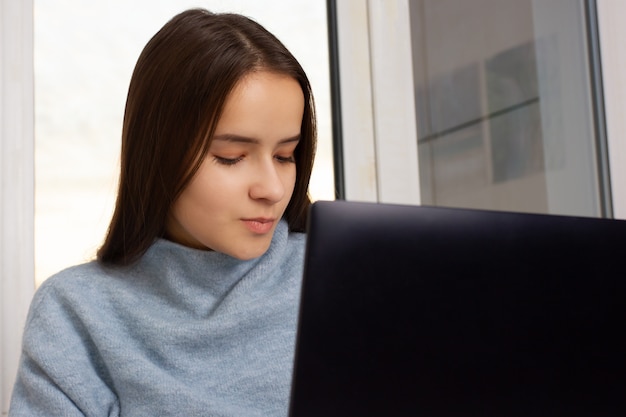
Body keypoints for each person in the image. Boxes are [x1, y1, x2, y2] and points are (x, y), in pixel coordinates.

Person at [10, 8, 316, 417]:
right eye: (231, 157)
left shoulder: (338, 279)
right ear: (159, 155)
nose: (272, 189)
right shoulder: (77, 313)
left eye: (285, 155)